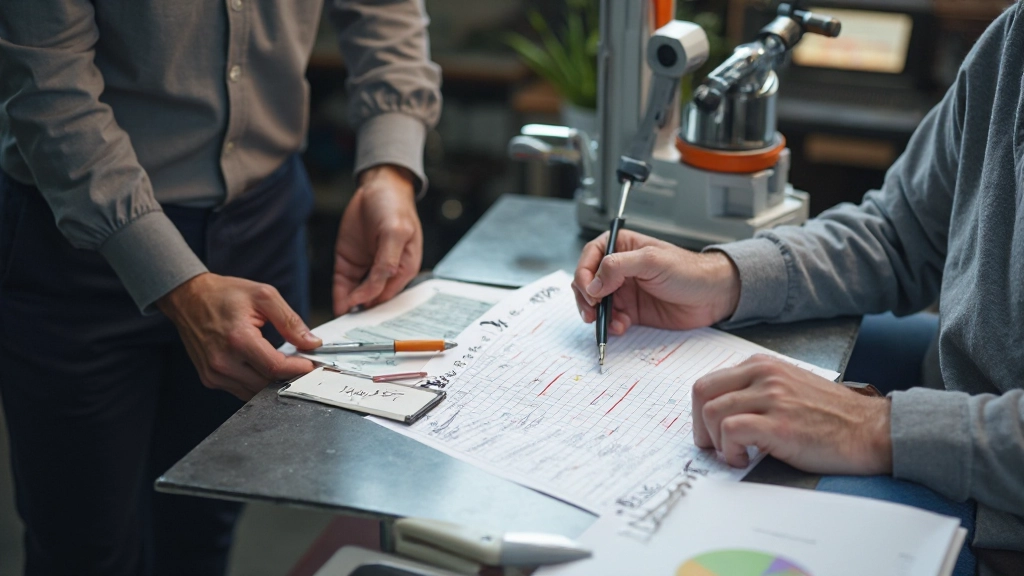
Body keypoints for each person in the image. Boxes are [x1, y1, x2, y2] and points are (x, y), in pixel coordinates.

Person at [573, 5, 1023, 576]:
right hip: (955, 387)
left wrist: (879, 427)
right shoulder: (1012, 40)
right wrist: (722, 280)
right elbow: (898, 234)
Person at [0, 0, 440, 574]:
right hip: (79, 244)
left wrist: (390, 169)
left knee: (203, 529)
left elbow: (385, 11)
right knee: (81, 546)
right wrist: (178, 282)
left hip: (262, 224)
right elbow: (48, 84)